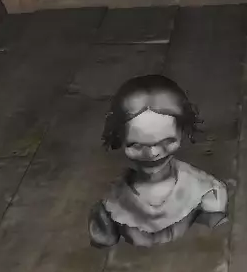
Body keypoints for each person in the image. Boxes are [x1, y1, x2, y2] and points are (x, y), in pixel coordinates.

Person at [88, 74, 228, 248]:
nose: (152, 154)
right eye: (136, 145)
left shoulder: (206, 192)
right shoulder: (110, 206)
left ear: (182, 131)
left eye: (167, 142)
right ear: (119, 138)